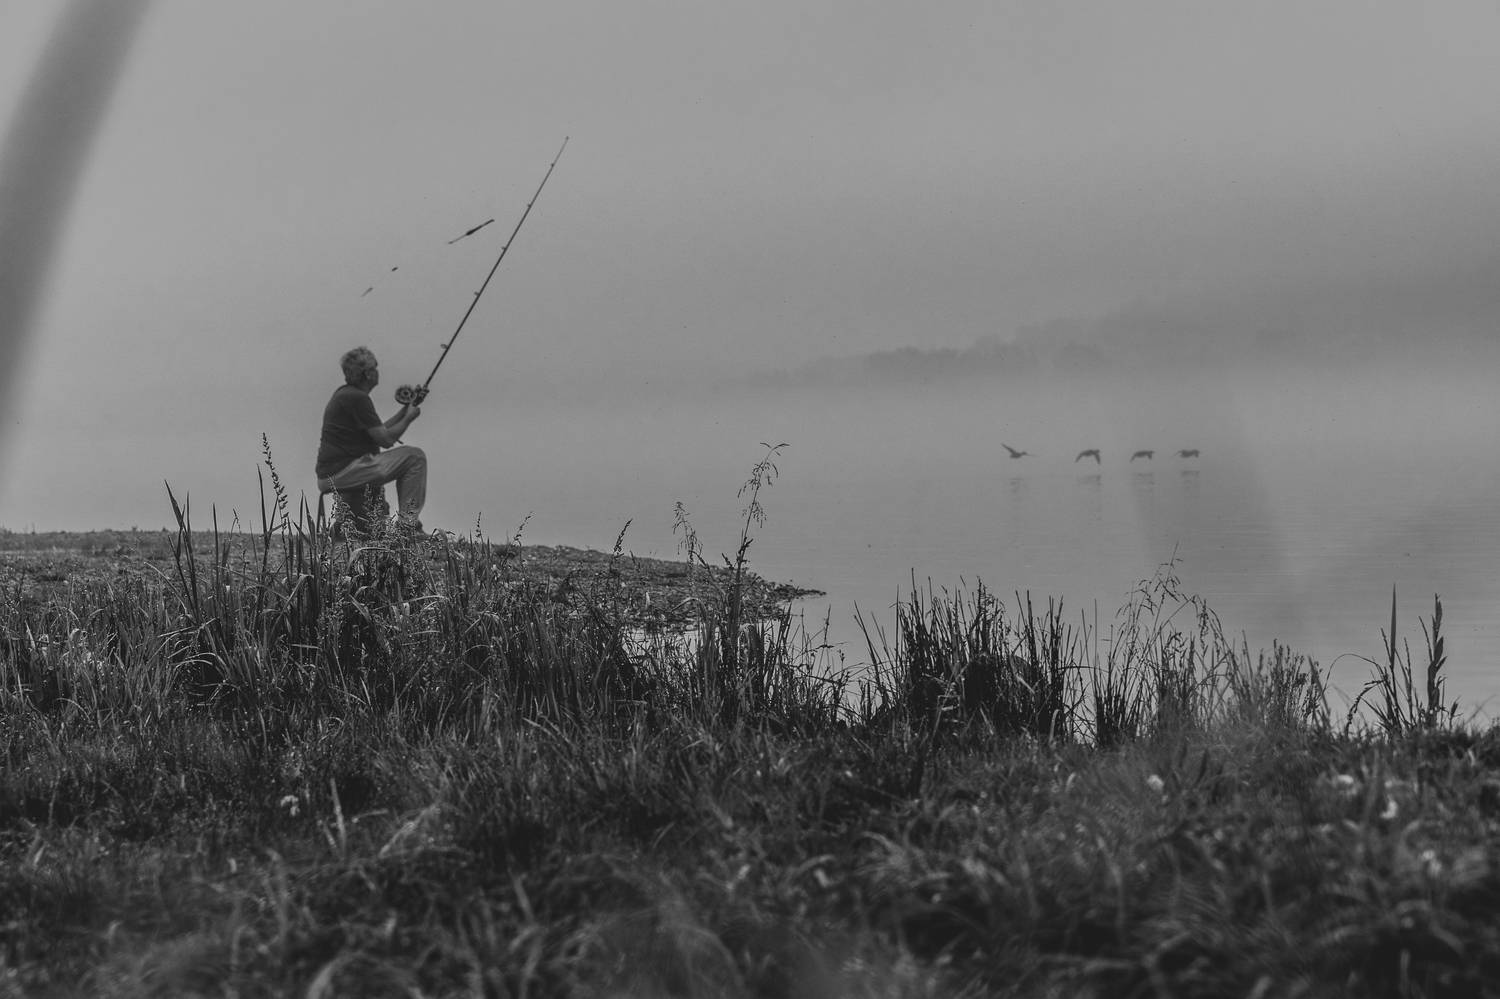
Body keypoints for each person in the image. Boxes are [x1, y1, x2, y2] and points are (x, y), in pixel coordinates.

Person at [315, 346, 427, 534]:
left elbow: (380, 430)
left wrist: (407, 409)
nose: (377, 372)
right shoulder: (357, 398)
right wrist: (409, 418)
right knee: (415, 457)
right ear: (367, 374)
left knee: (411, 456)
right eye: (374, 368)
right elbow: (386, 439)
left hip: (333, 473)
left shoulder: (346, 394)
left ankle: (402, 527)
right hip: (344, 472)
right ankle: (408, 527)